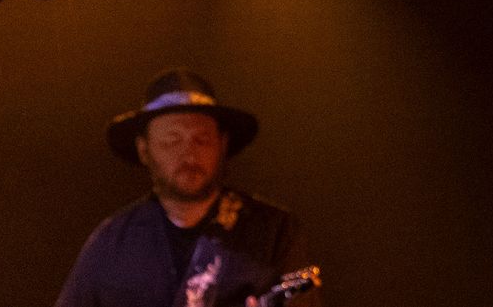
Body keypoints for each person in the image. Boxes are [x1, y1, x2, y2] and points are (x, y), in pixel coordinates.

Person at [55, 68, 321, 307]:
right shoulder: (112, 241)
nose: (189, 155)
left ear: (223, 144)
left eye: (201, 140)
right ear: (144, 150)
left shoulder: (275, 232)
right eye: (172, 140)